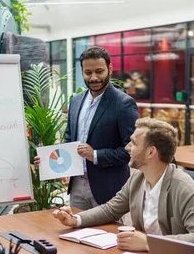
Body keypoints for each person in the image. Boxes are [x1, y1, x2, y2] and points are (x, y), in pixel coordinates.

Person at [52, 118, 194, 251]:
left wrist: (148, 242)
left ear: (151, 152)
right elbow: (110, 210)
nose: (127, 148)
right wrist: (76, 220)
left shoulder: (183, 186)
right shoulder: (138, 179)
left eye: (134, 143)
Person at [36, 46, 139, 209]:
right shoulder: (76, 101)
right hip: (76, 186)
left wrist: (95, 155)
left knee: (106, 234)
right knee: (74, 231)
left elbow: (133, 150)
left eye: (99, 71)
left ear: (110, 69)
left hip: (108, 189)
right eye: (88, 72)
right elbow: (69, 140)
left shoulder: (123, 104)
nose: (94, 77)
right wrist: (49, 159)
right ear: (82, 71)